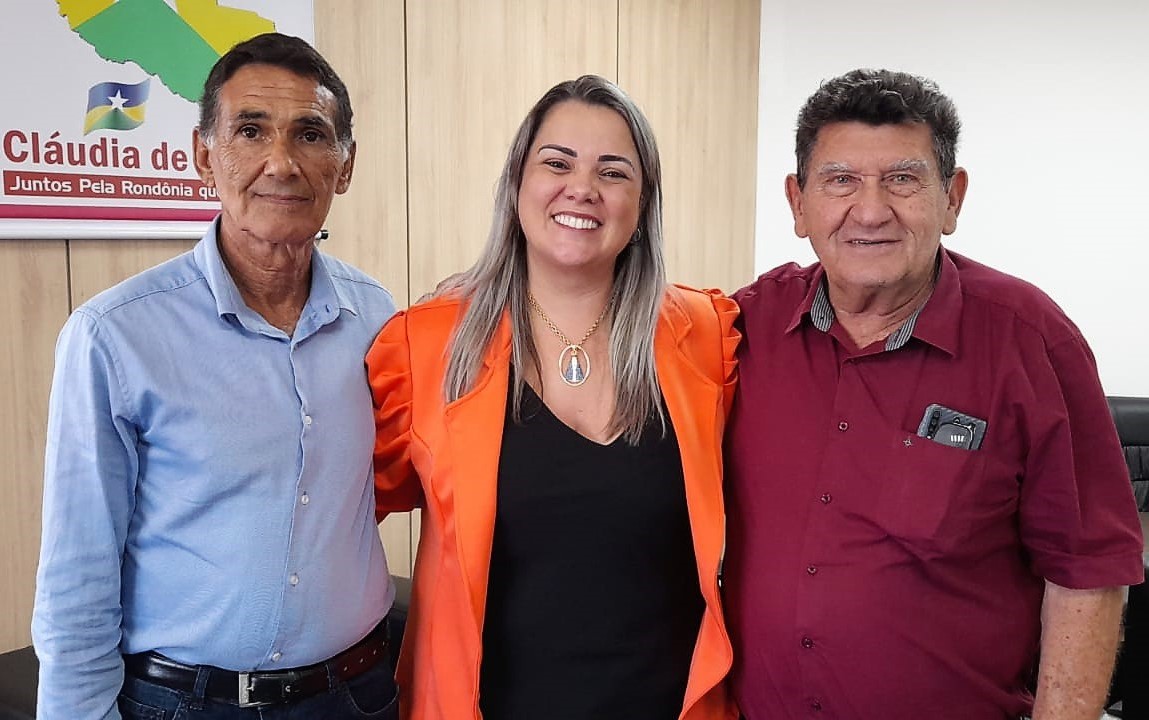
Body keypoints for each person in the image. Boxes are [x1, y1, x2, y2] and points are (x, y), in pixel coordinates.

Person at [723, 68, 1145, 719]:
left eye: (902, 179)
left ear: (952, 198)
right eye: (840, 180)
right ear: (798, 203)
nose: (870, 210)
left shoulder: (1031, 340)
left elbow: (1089, 569)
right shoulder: (741, 328)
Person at [32, 33, 399, 719]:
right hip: (186, 704)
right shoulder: (115, 335)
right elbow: (78, 574)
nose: (281, 162)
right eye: (250, 131)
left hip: (357, 694)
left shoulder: (377, 317)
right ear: (204, 157)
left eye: (310, 134)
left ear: (345, 165)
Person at [367, 75, 739, 720]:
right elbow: (335, 518)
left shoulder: (708, 337)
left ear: (643, 204)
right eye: (557, 163)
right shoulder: (423, 346)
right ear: (517, 183)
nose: (582, 188)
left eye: (613, 172)